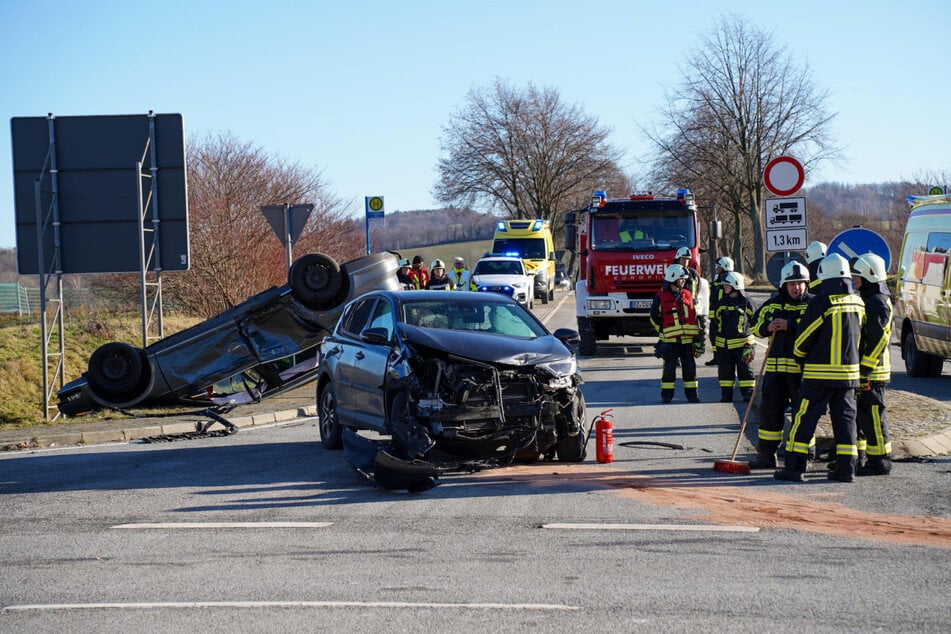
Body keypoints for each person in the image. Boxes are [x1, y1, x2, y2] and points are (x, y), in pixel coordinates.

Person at [775, 254, 866, 483]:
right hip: (849, 375)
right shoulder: (858, 301)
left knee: (803, 419)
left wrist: (798, 354)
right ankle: (846, 469)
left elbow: (806, 335)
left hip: (819, 374)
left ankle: (794, 468)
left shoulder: (822, 301)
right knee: (846, 421)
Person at [748, 261, 813, 469]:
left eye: (800, 283)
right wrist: (767, 326)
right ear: (784, 285)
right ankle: (767, 456)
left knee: (802, 416)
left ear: (807, 283)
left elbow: (816, 331)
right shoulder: (773, 304)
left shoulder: (813, 304)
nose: (797, 288)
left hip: (801, 373)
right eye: (792, 283)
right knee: (769, 415)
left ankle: (804, 457)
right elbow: (755, 327)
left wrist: (790, 325)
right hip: (775, 371)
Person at [851, 253, 894, 476]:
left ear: (869, 275)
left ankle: (880, 462)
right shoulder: (871, 299)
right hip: (867, 371)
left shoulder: (876, 302)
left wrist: (865, 371)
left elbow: (878, 340)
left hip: (873, 372)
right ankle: (863, 459)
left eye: (857, 277)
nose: (854, 281)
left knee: (874, 417)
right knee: (863, 417)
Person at [650, 264, 703, 403]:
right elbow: (654, 317)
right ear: (672, 279)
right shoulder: (660, 297)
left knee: (690, 369)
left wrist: (698, 339)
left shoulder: (688, 295)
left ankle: (692, 395)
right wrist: (662, 334)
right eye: (681, 279)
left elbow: (694, 317)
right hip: (670, 342)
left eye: (684, 279)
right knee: (669, 370)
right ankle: (667, 396)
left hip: (687, 342)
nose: (684, 281)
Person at [714, 271, 756, 402]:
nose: (724, 287)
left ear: (735, 285)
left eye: (727, 285)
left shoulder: (747, 302)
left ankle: (748, 395)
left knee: (745, 371)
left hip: (743, 345)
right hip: (724, 346)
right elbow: (716, 320)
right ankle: (726, 395)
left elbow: (755, 321)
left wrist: (750, 345)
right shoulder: (721, 303)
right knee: (725, 372)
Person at [675, 247, 707, 347]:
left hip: (692, 306)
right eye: (683, 259)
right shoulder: (672, 272)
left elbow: (697, 290)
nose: (686, 261)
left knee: (698, 332)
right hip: (677, 307)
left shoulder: (693, 274)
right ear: (678, 259)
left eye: (688, 259)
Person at [706, 256, 734, 366]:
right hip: (714, 317)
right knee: (713, 336)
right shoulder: (716, 283)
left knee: (725, 337)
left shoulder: (731, 282)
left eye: (719, 267)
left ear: (724, 268)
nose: (717, 269)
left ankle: (725, 357)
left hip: (726, 316)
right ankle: (716, 356)